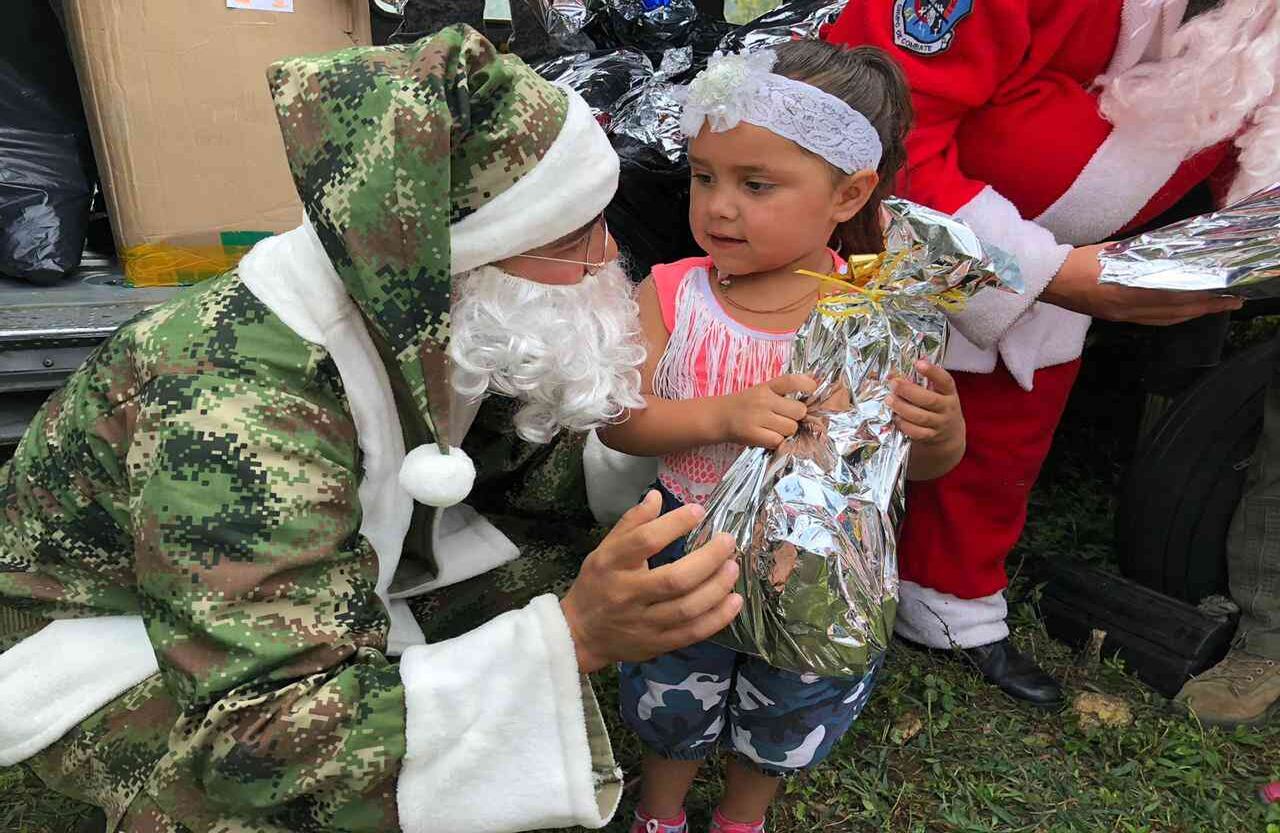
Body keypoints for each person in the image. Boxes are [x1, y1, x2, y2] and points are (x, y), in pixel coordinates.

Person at [0, 27, 747, 833]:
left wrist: (688, 448)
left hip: (285, 571)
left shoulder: (421, 303)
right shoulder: (233, 403)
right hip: (111, 635)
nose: (610, 262)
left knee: (546, 573)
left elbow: (524, 470)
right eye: (573, 238)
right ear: (467, 254)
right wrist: (573, 636)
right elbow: (255, 737)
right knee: (254, 798)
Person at [824, 0, 1276, 707]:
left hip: (1052, 268)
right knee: (808, 413)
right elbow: (869, 127)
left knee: (1004, 432)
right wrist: (1053, 276)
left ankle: (951, 598)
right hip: (867, 229)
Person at [599, 41, 966, 833]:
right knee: (674, 683)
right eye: (704, 176)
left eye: (756, 184)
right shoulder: (672, 294)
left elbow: (915, 462)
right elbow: (621, 420)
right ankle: (661, 807)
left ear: (849, 193)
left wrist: (942, 430)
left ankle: (742, 814)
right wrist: (721, 415)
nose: (719, 206)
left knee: (790, 700)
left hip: (816, 558)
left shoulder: (874, 317)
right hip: (686, 535)